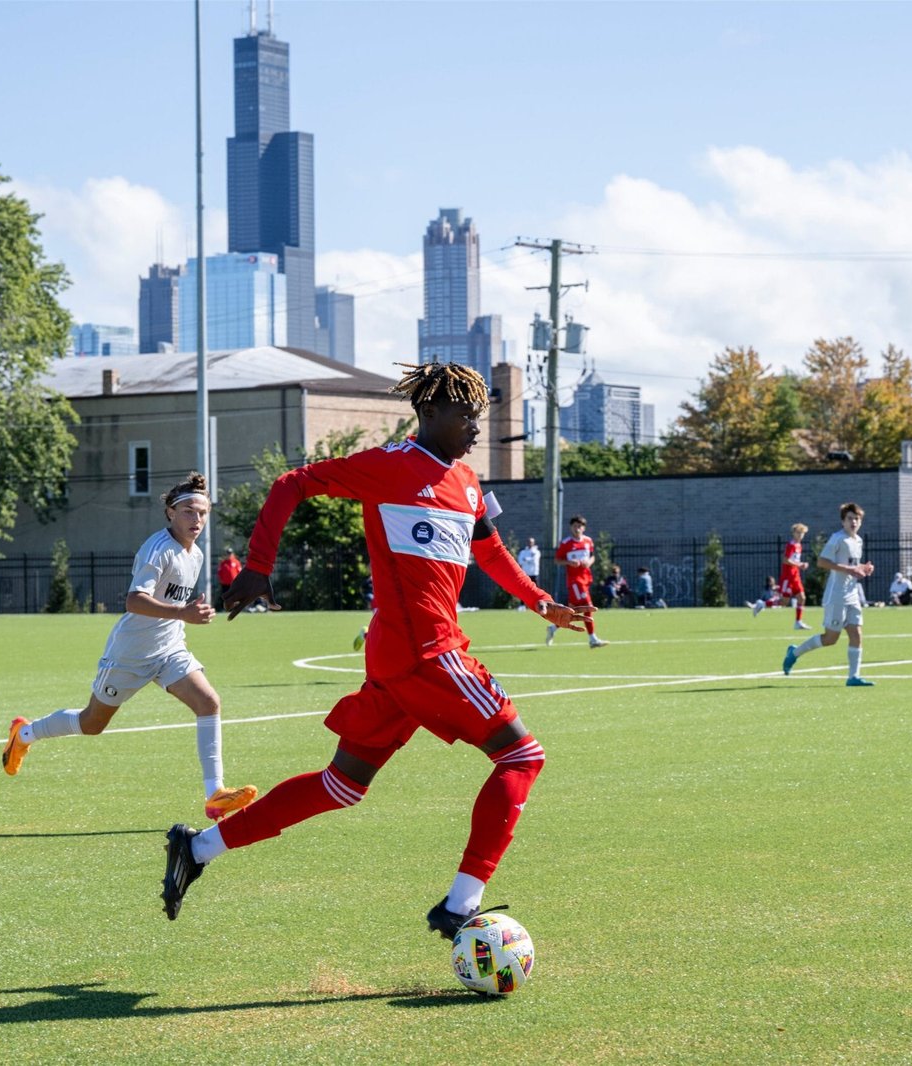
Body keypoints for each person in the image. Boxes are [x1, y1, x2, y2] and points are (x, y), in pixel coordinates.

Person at [160, 362, 591, 937]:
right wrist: (259, 565)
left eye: (479, 417)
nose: (475, 428)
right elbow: (293, 483)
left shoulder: (465, 483)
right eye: (465, 415)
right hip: (427, 653)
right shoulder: (388, 467)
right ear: (429, 413)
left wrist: (543, 603)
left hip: (402, 658)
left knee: (342, 785)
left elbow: (491, 554)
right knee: (521, 757)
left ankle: (199, 847)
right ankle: (462, 906)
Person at [1, 474, 258, 824]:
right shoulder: (158, 549)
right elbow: (135, 600)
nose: (196, 520)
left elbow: (172, 604)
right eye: (188, 512)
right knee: (92, 723)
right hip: (130, 654)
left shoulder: (195, 554)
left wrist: (188, 615)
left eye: (203, 513)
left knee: (208, 702)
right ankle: (24, 733)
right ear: (170, 513)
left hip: (169, 650)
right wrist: (182, 612)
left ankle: (215, 795)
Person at [783, 502, 875, 687]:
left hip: (852, 594)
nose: (854, 522)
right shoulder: (837, 539)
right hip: (836, 595)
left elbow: (852, 565)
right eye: (850, 518)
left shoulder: (858, 540)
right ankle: (794, 653)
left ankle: (853, 677)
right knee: (831, 638)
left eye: (857, 519)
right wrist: (850, 569)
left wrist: (864, 568)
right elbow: (822, 562)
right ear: (843, 521)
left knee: (856, 633)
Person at [548, 515, 606, 647]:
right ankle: (593, 638)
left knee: (573, 610)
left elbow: (592, 557)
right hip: (575, 581)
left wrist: (589, 563)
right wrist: (569, 562)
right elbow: (557, 560)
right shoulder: (566, 543)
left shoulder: (588, 541)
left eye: (580, 526)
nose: (577, 529)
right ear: (571, 527)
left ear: (583, 528)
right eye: (575, 526)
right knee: (588, 605)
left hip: (586, 579)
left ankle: (553, 627)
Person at [752, 523, 809, 628]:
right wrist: (800, 564)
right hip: (788, 576)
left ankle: (798, 622)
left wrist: (801, 564)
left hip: (795, 576)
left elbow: (795, 560)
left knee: (802, 598)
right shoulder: (790, 545)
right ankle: (762, 604)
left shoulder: (799, 545)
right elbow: (785, 560)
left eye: (802, 533)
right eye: (798, 533)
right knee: (784, 602)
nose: (800, 535)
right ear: (793, 533)